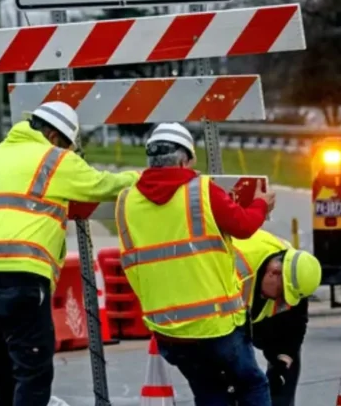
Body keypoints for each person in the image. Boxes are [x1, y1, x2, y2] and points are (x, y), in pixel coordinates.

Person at [0, 101, 140, 406]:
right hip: (21, 269)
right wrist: (138, 178)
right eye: (68, 146)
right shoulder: (54, 159)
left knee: (4, 358)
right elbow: (100, 185)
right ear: (56, 137)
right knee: (34, 367)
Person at [114, 122, 276, 406]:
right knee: (251, 384)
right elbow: (243, 226)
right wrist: (261, 205)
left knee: (209, 391)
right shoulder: (201, 190)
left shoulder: (126, 201)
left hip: (169, 330)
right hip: (217, 325)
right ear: (185, 159)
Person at [232, 229, 322, 406]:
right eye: (282, 293)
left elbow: (295, 324)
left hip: (254, 314)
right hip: (221, 318)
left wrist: (282, 365)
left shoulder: (294, 271)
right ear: (273, 272)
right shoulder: (237, 268)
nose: (282, 301)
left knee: (288, 362)